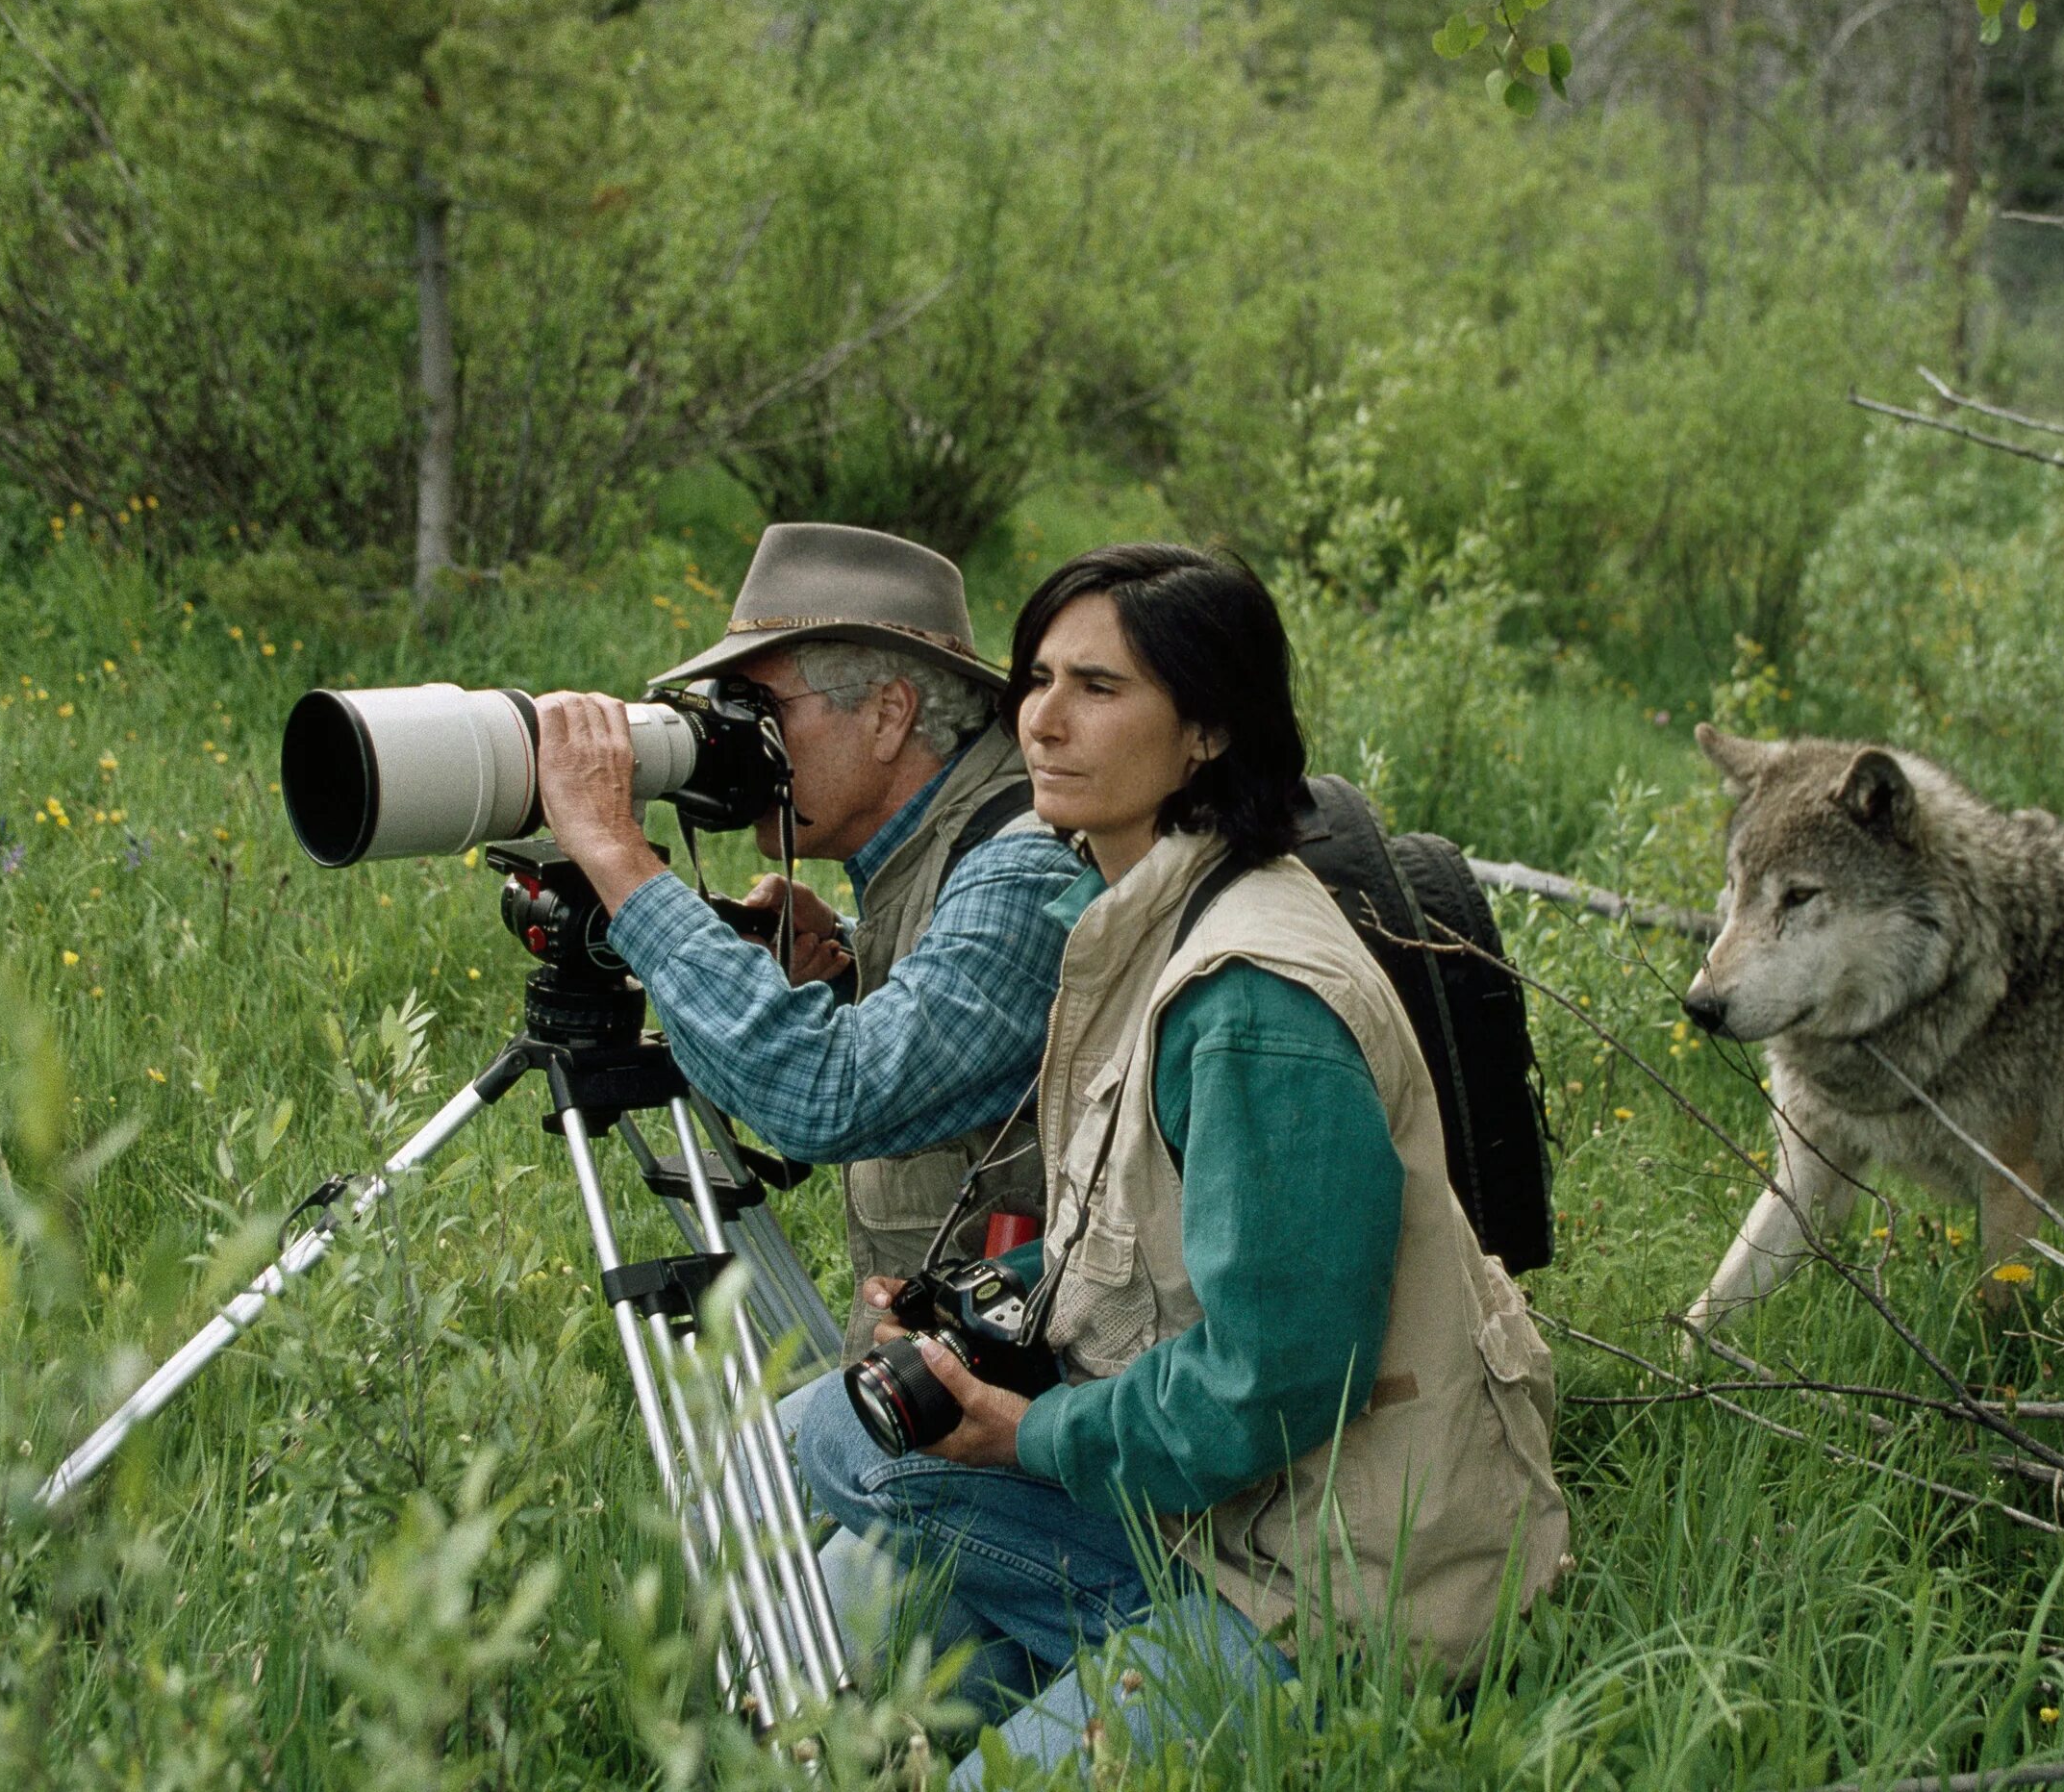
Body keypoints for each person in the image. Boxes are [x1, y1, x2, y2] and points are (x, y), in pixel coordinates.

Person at [790, 543, 1571, 1781]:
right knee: (826, 1594)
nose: (1043, 719)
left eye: (1099, 689)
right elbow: (1167, 1231)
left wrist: (1024, 1438)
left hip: (1326, 1581)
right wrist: (996, 1310)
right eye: (1037, 678)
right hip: (1214, 1513)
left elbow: (1283, 1375)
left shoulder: (1251, 996)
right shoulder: (1148, 917)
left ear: (1206, 730)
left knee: (841, 1446)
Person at [531, 523, 1080, 1355]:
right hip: (957, 1373)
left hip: (1041, 1418)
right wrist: (855, 957)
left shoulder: (1025, 865)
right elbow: (972, 1009)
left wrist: (616, 854)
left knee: (782, 1452)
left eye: (761, 711)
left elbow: (831, 1091)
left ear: (889, 714)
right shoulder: (942, 846)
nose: (737, 746)